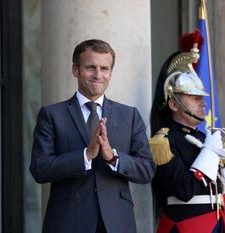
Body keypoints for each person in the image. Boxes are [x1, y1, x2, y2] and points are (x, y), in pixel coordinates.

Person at [30, 39, 156, 233]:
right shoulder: (51, 115)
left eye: (104, 68)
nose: (98, 75)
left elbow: (147, 170)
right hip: (68, 222)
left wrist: (112, 157)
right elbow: (39, 168)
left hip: (117, 224)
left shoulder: (129, 116)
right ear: (75, 70)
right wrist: (86, 155)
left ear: (110, 73)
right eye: (90, 67)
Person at [150, 32, 225, 233]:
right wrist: (210, 153)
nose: (202, 102)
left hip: (216, 225)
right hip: (185, 228)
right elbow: (184, 190)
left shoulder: (203, 139)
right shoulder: (163, 141)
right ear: (173, 104)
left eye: (201, 97)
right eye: (194, 97)